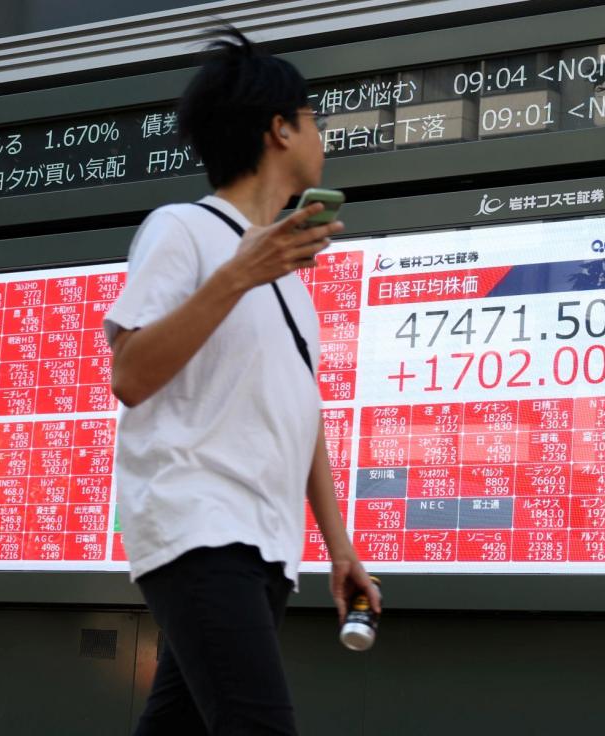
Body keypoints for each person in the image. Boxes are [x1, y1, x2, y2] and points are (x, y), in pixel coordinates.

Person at [104, 28, 381, 735]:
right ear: (279, 129)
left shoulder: (286, 277)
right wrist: (238, 273)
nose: (324, 135)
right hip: (200, 527)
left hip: (264, 545)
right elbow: (131, 375)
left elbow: (301, 415)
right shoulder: (185, 230)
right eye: (313, 117)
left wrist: (339, 546)